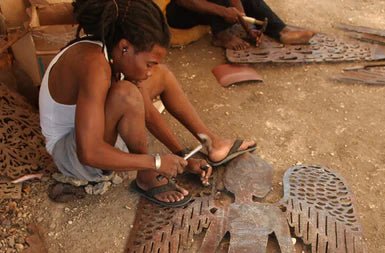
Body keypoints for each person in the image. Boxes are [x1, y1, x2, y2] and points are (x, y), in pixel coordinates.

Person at [39, 0, 255, 207]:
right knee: (127, 94)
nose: (149, 71)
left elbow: (147, 113)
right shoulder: (94, 64)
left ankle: (211, 143)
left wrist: (182, 157)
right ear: (125, 47)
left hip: (91, 137)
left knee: (161, 76)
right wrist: (155, 163)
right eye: (149, 63)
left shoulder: (111, 50)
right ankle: (147, 176)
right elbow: (89, 152)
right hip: (73, 157)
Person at [165, 0, 316, 50]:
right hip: (178, 13)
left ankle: (281, 31)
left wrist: (248, 27)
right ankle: (221, 35)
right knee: (220, 2)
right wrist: (224, 12)